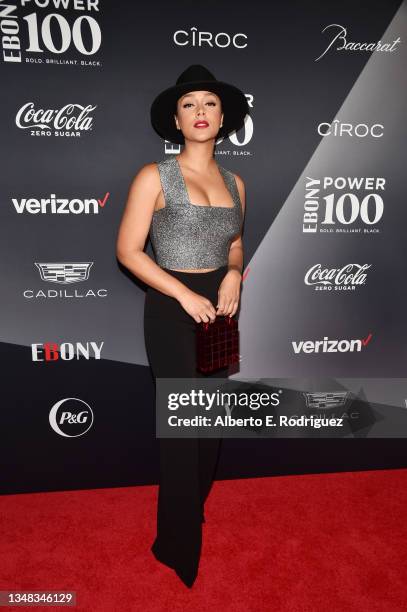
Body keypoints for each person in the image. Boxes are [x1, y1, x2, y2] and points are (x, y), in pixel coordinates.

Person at [116, 64, 249, 588]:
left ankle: (192, 508)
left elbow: (235, 242)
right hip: (172, 307)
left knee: (211, 427)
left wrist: (236, 270)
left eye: (210, 104)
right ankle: (175, 542)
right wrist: (183, 293)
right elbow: (127, 251)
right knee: (183, 429)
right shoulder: (155, 175)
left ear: (223, 117)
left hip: (220, 305)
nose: (200, 112)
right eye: (190, 104)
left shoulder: (236, 182)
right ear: (175, 117)